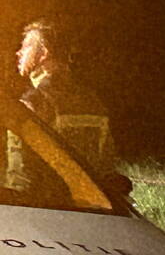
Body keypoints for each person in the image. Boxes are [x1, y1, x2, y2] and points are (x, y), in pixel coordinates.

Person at [17, 18, 117, 176]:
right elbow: (106, 164)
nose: (19, 52)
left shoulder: (35, 102)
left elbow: (20, 172)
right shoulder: (92, 101)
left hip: (47, 197)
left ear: (43, 53)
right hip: (89, 198)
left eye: (26, 46)